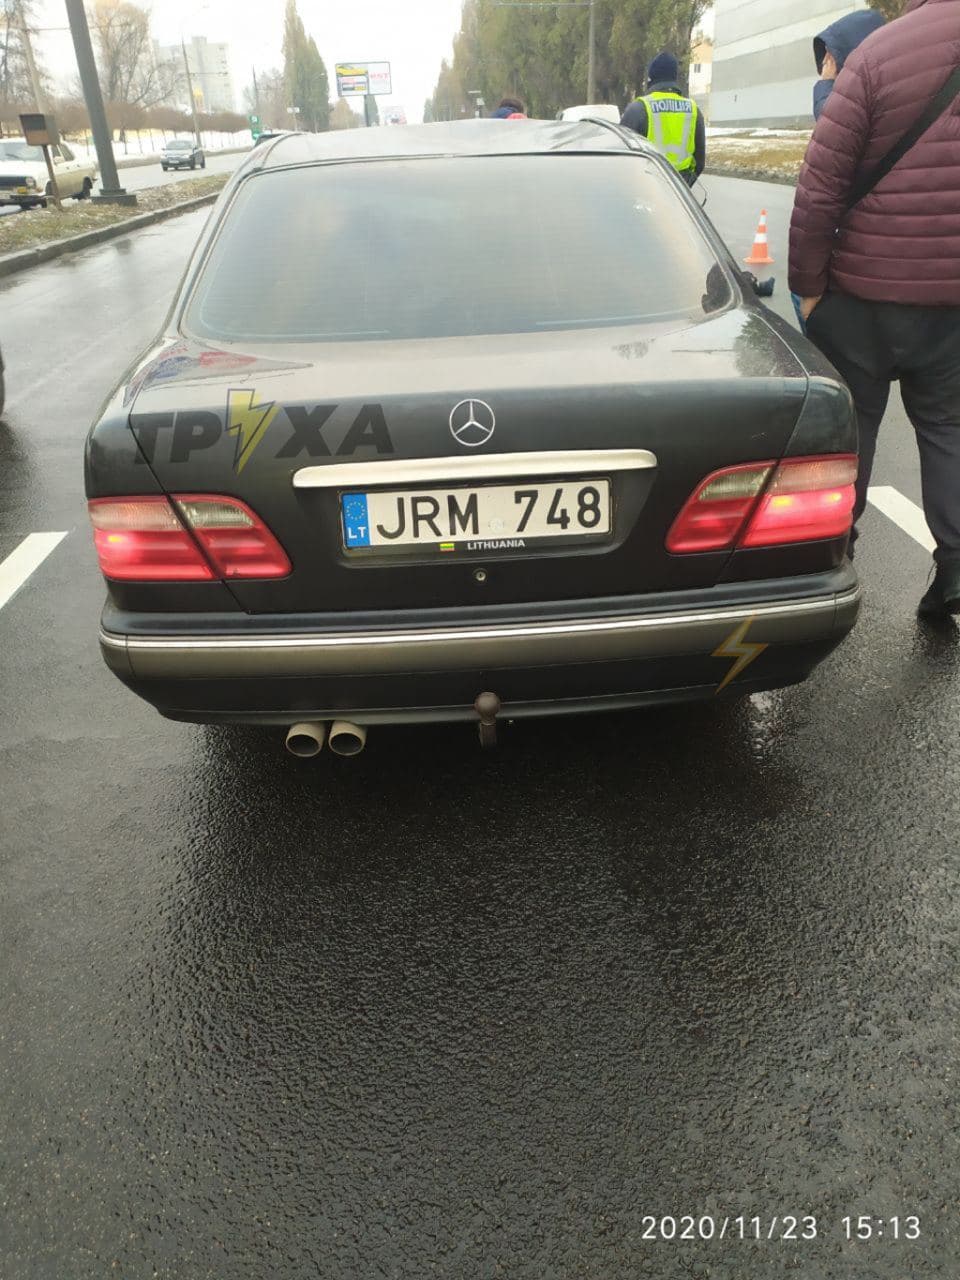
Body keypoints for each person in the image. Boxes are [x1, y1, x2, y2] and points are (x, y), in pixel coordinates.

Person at [789, 0, 960, 617]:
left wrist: (809, 287)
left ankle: (833, 555)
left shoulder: (879, 56)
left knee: (852, 428)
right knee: (948, 427)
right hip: (951, 306)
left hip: (863, 298)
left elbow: (820, 187)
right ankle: (956, 568)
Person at [791, 8, 887, 330]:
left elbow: (833, 131)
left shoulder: (861, 99)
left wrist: (826, 86)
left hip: (863, 260)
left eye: (831, 59)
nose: (825, 67)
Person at [620, 52, 705, 186]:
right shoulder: (693, 110)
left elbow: (622, 158)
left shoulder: (639, 108)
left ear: (651, 78)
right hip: (679, 191)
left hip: (646, 187)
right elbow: (699, 162)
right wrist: (682, 189)